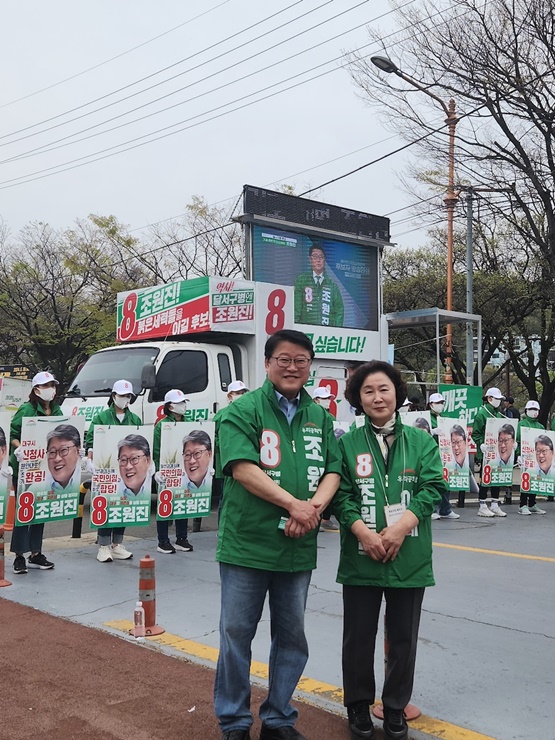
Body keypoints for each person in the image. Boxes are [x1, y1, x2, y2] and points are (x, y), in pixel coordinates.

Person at [214, 329, 341, 740]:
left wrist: (312, 510)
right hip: (247, 545)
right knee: (236, 635)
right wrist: (295, 505)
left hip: (296, 546)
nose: (292, 367)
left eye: (301, 360)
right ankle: (234, 721)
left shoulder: (320, 417)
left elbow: (333, 472)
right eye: (284, 359)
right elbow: (242, 468)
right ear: (267, 364)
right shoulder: (242, 410)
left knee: (292, 638)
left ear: (309, 366)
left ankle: (278, 719)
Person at [333, 360, 444, 740]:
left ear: (397, 393)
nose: (377, 397)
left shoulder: (422, 441)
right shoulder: (346, 444)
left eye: (384, 389)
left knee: (403, 639)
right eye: (368, 391)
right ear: (357, 400)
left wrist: (399, 529)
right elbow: (342, 496)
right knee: (358, 636)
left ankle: (394, 707)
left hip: (408, 554)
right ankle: (359, 706)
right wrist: (364, 534)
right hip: (361, 554)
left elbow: (432, 488)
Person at [10, 371, 62, 575]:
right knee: (24, 511)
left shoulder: (57, 410)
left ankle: (35, 553)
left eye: (53, 385)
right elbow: (13, 433)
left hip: (46, 468)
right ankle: (19, 556)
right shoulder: (26, 410)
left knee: (40, 510)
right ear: (37, 389)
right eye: (47, 385)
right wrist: (19, 447)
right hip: (25, 468)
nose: (51, 389)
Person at [85, 379, 142, 563]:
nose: (124, 399)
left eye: (128, 396)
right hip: (107, 469)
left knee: (123, 505)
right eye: (121, 395)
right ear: (113, 396)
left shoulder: (135, 419)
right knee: (106, 504)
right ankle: (103, 546)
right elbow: (91, 440)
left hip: (127, 470)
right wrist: (89, 456)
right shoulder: (101, 417)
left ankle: (117, 544)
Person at [154, 389, 194, 554]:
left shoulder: (190, 422)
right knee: (165, 503)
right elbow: (156, 450)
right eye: (179, 403)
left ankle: (181, 538)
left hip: (185, 469)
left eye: (184, 402)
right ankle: (163, 541)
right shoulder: (161, 425)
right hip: (167, 470)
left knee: (182, 502)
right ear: (170, 407)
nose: (183, 406)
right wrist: (156, 470)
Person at [213, 381, 250, 520]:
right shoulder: (222, 414)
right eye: (238, 393)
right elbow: (212, 436)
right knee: (225, 496)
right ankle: (222, 528)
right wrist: (225, 443)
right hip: (226, 463)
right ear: (230, 396)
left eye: (244, 393)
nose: (242, 395)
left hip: (245, 461)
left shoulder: (249, 412)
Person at [472, 387, 507, 517]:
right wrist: (481, 444)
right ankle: (482, 505)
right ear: (489, 398)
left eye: (500, 399)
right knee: (485, 478)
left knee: (496, 477)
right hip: (486, 452)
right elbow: (476, 433)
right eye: (497, 399)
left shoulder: (498, 413)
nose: (499, 401)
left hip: (498, 451)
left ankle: (495, 504)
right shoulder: (482, 413)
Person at [427, 393, 460, 521]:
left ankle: (446, 509)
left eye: (442, 403)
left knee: (446, 482)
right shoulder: (426, 418)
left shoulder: (444, 418)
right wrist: (431, 431)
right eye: (437, 403)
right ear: (431, 404)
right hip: (431, 454)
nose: (440, 405)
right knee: (433, 482)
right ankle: (433, 509)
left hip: (445, 454)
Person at [294, 243, 344, 327]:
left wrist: (337, 330)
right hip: (305, 332)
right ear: (310, 259)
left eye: (321, 257)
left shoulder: (332, 285)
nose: (318, 260)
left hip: (325, 334)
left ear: (324, 260)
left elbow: (339, 311)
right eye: (315, 257)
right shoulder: (301, 280)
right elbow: (296, 308)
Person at [312, 386, 339, 531]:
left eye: (329, 398)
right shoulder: (311, 415)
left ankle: (323, 518)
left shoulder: (330, 417)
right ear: (316, 400)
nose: (328, 401)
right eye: (325, 398)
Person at [517, 401, 547, 515]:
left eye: (536, 410)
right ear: (526, 411)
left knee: (534, 480)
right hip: (525, 457)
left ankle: (532, 504)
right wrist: (517, 455)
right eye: (531, 409)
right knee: (525, 480)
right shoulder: (521, 424)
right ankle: (523, 504)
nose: (534, 412)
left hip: (537, 457)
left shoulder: (540, 426)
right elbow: (517, 440)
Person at [44, 424, 82, 491]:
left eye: (63, 450)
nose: (57, 459)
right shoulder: (36, 489)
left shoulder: (87, 482)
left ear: (78, 450)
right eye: (52, 452)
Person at [116, 434, 152, 498]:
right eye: (123, 460)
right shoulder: (111, 491)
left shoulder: (158, 484)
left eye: (134, 459)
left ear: (148, 460)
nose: (128, 466)